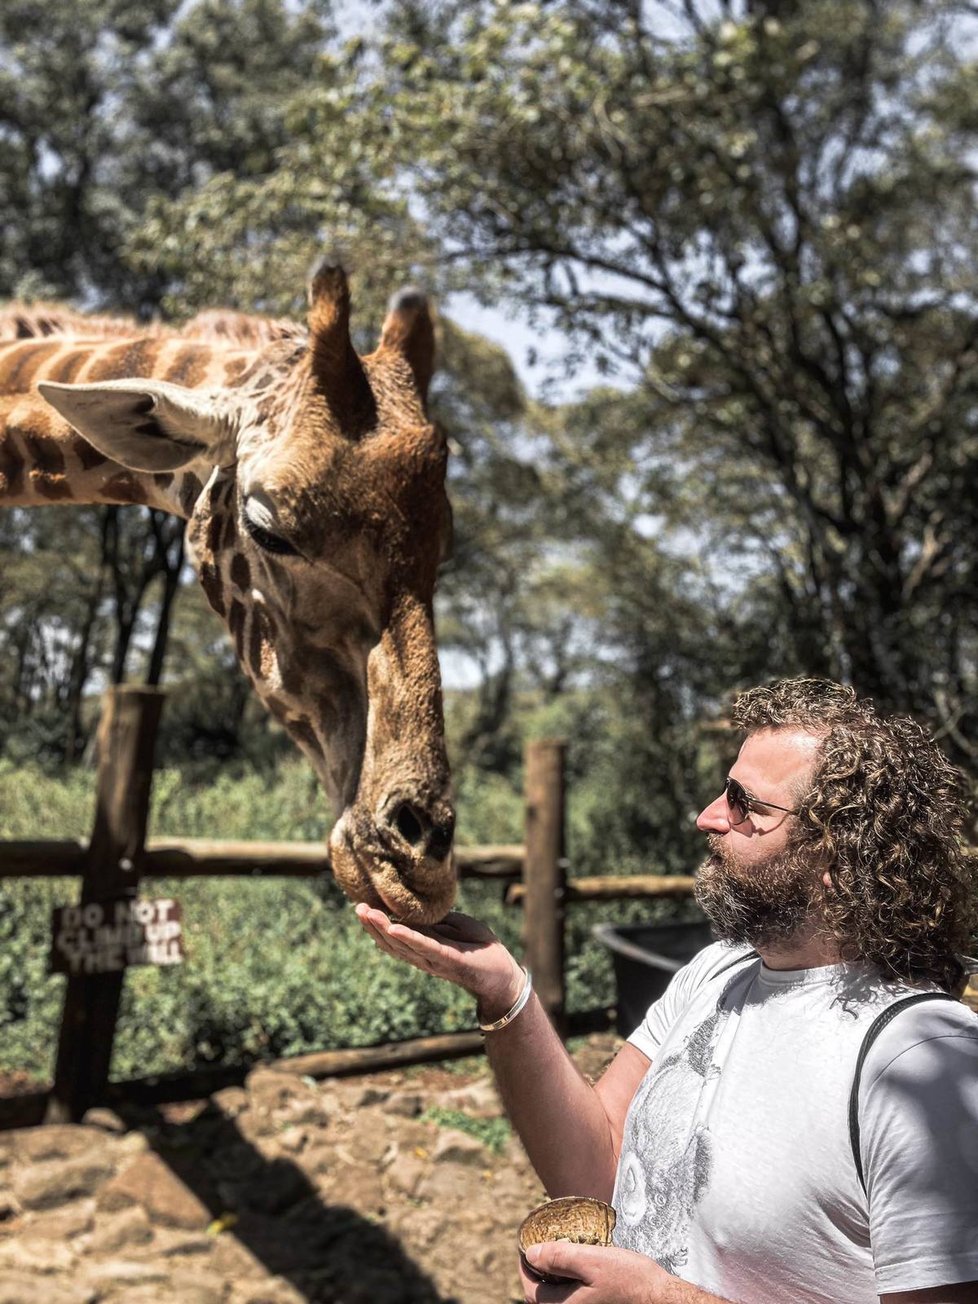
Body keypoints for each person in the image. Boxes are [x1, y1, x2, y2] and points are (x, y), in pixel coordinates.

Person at [356, 678, 978, 1304]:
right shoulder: (715, 973)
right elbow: (597, 1163)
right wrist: (503, 990)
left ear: (839, 857)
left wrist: (656, 1298)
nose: (708, 816)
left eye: (747, 805)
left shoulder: (921, 1062)